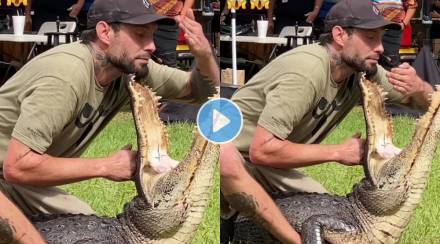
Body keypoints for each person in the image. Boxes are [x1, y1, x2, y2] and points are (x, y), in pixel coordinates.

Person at [220, 0, 433, 242]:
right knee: (315, 231)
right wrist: (339, 152)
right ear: (340, 35)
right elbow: (262, 150)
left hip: (264, 166)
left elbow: (430, 102)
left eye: (381, 38)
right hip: (231, 163)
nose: (381, 47)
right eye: (371, 37)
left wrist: (419, 88)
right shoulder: (307, 71)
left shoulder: (361, 71)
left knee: (338, 224)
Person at [0, 0, 219, 217]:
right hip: (11, 176)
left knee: (86, 227)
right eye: (140, 35)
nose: (152, 45)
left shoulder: (129, 69)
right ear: (105, 32)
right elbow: (18, 165)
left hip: (15, 181)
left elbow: (204, 91)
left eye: (152, 35)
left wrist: (204, 54)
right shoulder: (67, 76)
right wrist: (106, 166)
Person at [373, 0, 418, 70]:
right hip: (372, 28)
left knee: (390, 62)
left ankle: (389, 80)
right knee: (369, 61)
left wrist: (403, 23)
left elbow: (412, 5)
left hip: (393, 30)